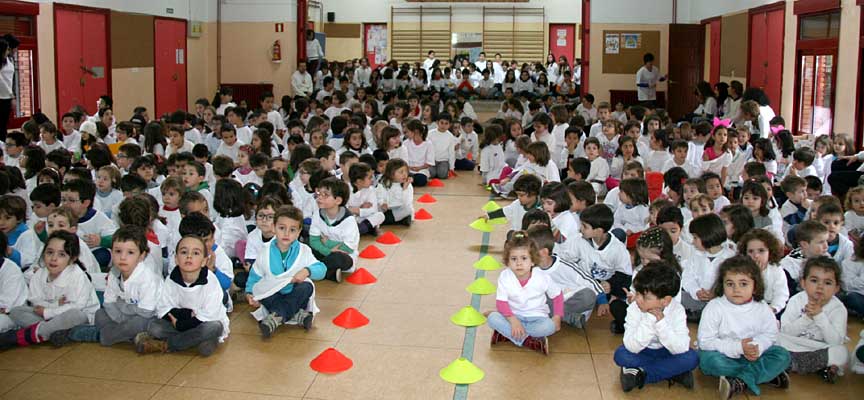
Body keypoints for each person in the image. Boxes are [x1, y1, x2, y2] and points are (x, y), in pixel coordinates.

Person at [697, 256, 791, 399]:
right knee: (708, 361)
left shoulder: (762, 308)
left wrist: (756, 347)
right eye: (730, 284)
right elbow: (705, 341)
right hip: (724, 355)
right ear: (722, 285)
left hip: (755, 355)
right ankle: (762, 375)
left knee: (782, 355)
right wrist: (739, 347)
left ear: (755, 286)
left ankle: (740, 380)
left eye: (743, 284)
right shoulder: (714, 307)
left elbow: (771, 335)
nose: (736, 289)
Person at [0, 231, 99, 350]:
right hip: (48, 315)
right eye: (50, 252)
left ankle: (32, 334)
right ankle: (55, 331)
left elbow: (77, 307)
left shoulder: (77, 276)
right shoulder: (39, 274)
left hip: (80, 317)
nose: (53, 258)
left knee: (75, 315)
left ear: (72, 259)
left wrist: (48, 312)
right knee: (17, 311)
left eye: (61, 255)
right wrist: (53, 306)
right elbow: (35, 300)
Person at [134, 235, 229, 356]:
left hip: (203, 323)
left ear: (204, 261)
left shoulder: (211, 281)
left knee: (214, 328)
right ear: (176, 259)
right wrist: (185, 316)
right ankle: (193, 340)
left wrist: (183, 324)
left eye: (195, 253)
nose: (189, 256)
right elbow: (164, 308)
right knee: (154, 327)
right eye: (184, 252)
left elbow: (210, 314)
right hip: (179, 321)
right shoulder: (171, 279)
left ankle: (167, 345)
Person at [614, 261, 699, 392]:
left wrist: (661, 323)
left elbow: (681, 348)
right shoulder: (634, 309)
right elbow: (631, 346)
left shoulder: (677, 310)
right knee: (621, 355)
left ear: (665, 301)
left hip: (668, 352)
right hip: (643, 352)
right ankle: (674, 372)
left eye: (645, 297)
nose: (638, 300)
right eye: (637, 293)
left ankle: (639, 375)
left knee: (692, 358)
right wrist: (649, 320)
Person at [246, 205, 325, 336]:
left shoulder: (304, 250)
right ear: (274, 227)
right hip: (273, 294)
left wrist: (307, 271)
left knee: (306, 287)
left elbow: (321, 269)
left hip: (295, 293)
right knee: (261, 291)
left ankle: (277, 316)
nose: (286, 234)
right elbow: (255, 275)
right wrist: (249, 292)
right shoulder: (265, 251)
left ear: (299, 232)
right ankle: (296, 314)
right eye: (282, 228)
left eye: (292, 230)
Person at [486, 231, 563, 354]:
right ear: (507, 262)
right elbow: (501, 303)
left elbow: (557, 295)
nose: (519, 263)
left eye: (524, 258)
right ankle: (528, 341)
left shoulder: (542, 277)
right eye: (513, 259)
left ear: (533, 261)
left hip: (537, 318)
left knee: (549, 327)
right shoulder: (505, 276)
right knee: (492, 318)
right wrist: (513, 320)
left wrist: (557, 317)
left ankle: (507, 335)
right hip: (513, 316)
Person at [779, 256, 848, 383]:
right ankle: (813, 367)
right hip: (792, 344)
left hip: (818, 348)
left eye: (827, 283)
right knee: (773, 338)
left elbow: (836, 341)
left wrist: (819, 316)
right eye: (814, 280)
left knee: (841, 352)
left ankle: (790, 365)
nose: (820, 287)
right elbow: (785, 332)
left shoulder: (838, 309)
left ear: (836, 288)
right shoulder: (796, 301)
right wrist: (807, 318)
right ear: (803, 283)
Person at [0, 38, 14, 141]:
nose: (8, 51)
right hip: (2, 97)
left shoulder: (8, 60)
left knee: (3, 125)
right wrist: (11, 94)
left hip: (6, 97)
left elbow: (9, 80)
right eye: (7, 49)